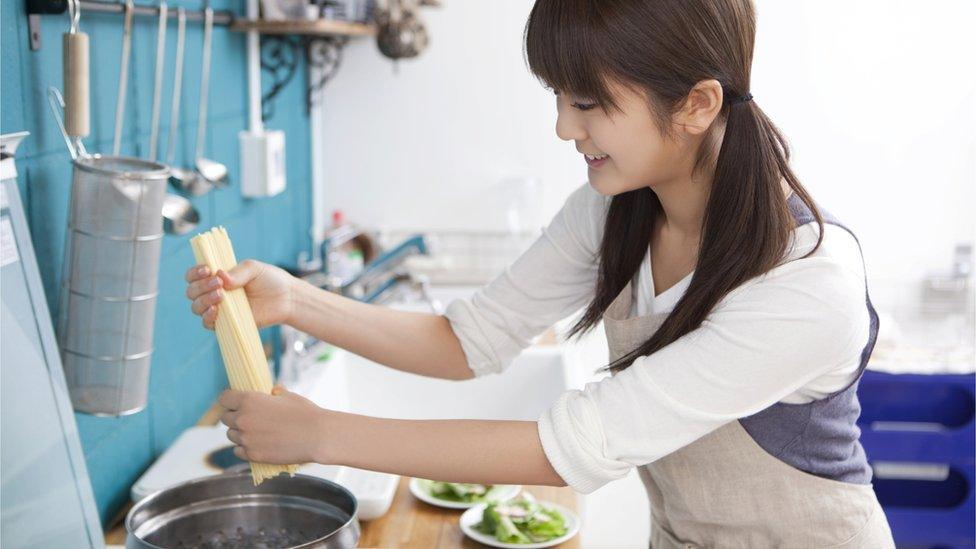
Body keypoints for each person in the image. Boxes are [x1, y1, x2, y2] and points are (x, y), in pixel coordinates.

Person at [185, 0, 894, 545]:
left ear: (696, 104)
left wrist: (318, 434)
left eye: (588, 103)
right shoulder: (614, 208)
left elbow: (574, 443)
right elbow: (471, 339)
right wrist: (296, 300)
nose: (563, 127)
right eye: (559, 96)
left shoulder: (805, 278)